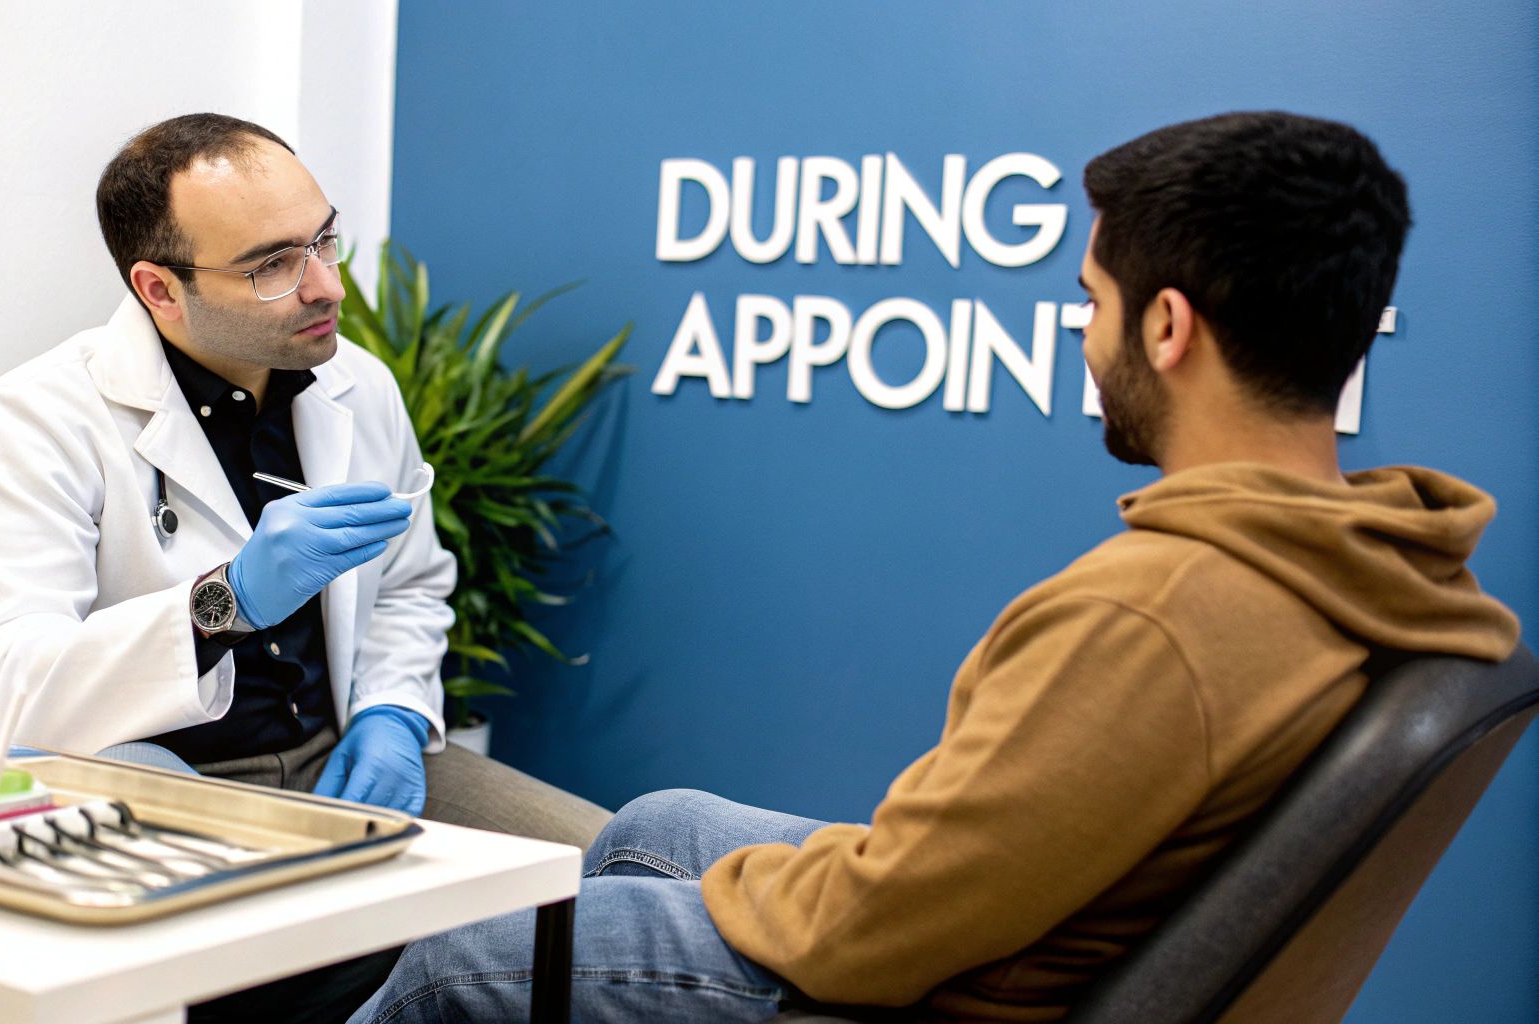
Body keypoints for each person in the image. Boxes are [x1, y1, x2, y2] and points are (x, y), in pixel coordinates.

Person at [345, 111, 1522, 1023]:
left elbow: (879, 926)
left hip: (949, 989)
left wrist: (730, 903)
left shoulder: (1155, 615)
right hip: (1016, 931)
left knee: (462, 965)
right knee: (657, 825)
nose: (1079, 332)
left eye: (1088, 301)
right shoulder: (1385, 557)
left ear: (1165, 327)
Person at [0, 113, 609, 847]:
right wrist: (223, 604)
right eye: (272, 266)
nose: (327, 287)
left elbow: (411, 584)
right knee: (290, 924)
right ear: (159, 290)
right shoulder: (44, 415)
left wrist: (393, 712)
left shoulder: (358, 384)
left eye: (324, 240)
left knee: (612, 862)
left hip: (341, 758)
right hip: (159, 769)